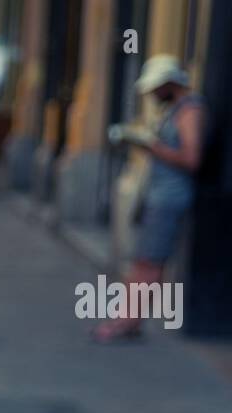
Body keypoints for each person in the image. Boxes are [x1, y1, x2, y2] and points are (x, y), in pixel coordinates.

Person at [94, 55, 205, 343]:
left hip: (170, 196)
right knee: (144, 259)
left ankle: (127, 320)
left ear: (169, 83)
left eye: (156, 88)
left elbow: (191, 158)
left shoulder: (189, 111)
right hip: (158, 194)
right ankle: (127, 319)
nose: (153, 94)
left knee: (149, 261)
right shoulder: (174, 109)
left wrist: (152, 146)